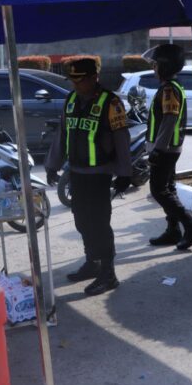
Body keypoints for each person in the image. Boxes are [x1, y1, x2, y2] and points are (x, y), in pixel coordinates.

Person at [45, 58, 133, 296]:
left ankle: (108, 274)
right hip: (76, 172)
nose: (75, 85)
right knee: (81, 221)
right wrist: (52, 165)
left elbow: (121, 140)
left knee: (99, 224)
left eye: (80, 80)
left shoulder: (111, 103)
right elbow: (62, 134)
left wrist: (125, 173)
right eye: (72, 81)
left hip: (100, 174)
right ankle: (92, 262)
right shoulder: (71, 100)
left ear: (94, 78)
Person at [146, 44, 192, 250]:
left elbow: (169, 119)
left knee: (158, 190)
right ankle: (173, 231)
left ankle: (191, 226)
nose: (153, 68)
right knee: (169, 188)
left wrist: (158, 149)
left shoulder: (169, 89)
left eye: (155, 65)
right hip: (169, 148)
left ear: (164, 66)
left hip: (166, 149)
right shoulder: (169, 87)